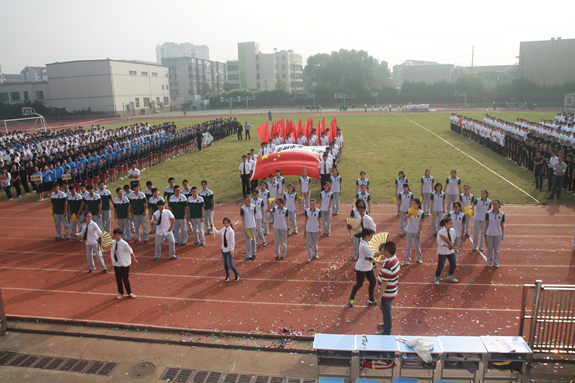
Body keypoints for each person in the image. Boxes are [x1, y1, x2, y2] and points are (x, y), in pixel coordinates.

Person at [348, 228, 385, 307]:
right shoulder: (363, 246)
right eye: (370, 235)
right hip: (361, 268)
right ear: (367, 236)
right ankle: (351, 298)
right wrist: (382, 252)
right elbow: (372, 254)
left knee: (373, 282)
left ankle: (371, 300)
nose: (371, 237)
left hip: (368, 267)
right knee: (359, 284)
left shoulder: (366, 242)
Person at [374, 241, 399, 335]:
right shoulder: (394, 259)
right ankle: (386, 324)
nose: (382, 252)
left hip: (387, 293)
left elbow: (384, 283)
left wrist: (379, 297)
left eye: (383, 250)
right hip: (391, 290)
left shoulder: (388, 267)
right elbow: (384, 262)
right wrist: (376, 261)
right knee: (385, 310)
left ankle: (386, 331)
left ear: (387, 252)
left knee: (386, 311)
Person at [110, 228, 138, 299]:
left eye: (119, 235)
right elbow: (104, 246)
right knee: (118, 279)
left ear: (121, 235)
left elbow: (131, 251)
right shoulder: (112, 243)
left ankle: (129, 292)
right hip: (116, 264)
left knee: (125, 279)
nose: (117, 237)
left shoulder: (124, 244)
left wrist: (134, 259)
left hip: (124, 264)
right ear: (114, 235)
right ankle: (120, 292)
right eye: (116, 235)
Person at [214, 217, 240, 281]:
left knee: (230, 264)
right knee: (225, 264)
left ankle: (236, 274)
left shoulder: (231, 231)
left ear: (229, 223)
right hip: (223, 249)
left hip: (228, 250)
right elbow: (217, 232)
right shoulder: (223, 229)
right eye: (224, 223)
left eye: (227, 223)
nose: (226, 224)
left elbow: (232, 241)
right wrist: (213, 227)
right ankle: (227, 275)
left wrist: (232, 250)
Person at [434, 217, 458, 284]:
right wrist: (446, 245)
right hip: (442, 251)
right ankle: (437, 277)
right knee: (441, 266)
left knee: (453, 265)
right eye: (450, 223)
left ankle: (450, 276)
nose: (451, 225)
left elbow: (454, 238)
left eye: (452, 223)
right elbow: (439, 242)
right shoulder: (441, 232)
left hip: (450, 251)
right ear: (446, 223)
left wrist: (451, 245)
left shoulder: (453, 230)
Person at [484, 199, 505, 268]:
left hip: (498, 233)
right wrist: (485, 232)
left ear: (499, 205)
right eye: (493, 204)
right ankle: (489, 262)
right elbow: (487, 223)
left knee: (497, 249)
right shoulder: (488, 213)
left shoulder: (502, 214)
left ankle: (496, 262)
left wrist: (502, 234)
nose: (495, 206)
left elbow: (502, 224)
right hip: (489, 233)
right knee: (489, 248)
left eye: (496, 204)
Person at [404, 198, 425, 264]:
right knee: (409, 246)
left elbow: (421, 224)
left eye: (415, 204)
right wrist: (407, 215)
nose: (413, 205)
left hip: (416, 231)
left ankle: (419, 258)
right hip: (409, 231)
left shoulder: (421, 213)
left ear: (418, 205)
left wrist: (419, 233)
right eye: (412, 203)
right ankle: (407, 259)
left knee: (417, 246)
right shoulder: (409, 211)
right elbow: (405, 220)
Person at [240, 194, 257, 260]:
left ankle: (254, 253)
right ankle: (248, 255)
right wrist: (244, 228)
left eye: (249, 200)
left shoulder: (253, 206)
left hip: (253, 226)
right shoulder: (243, 208)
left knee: (254, 240)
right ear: (245, 200)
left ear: (251, 199)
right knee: (248, 241)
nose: (248, 201)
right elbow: (242, 219)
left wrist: (256, 225)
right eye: (247, 200)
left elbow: (255, 216)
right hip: (247, 227)